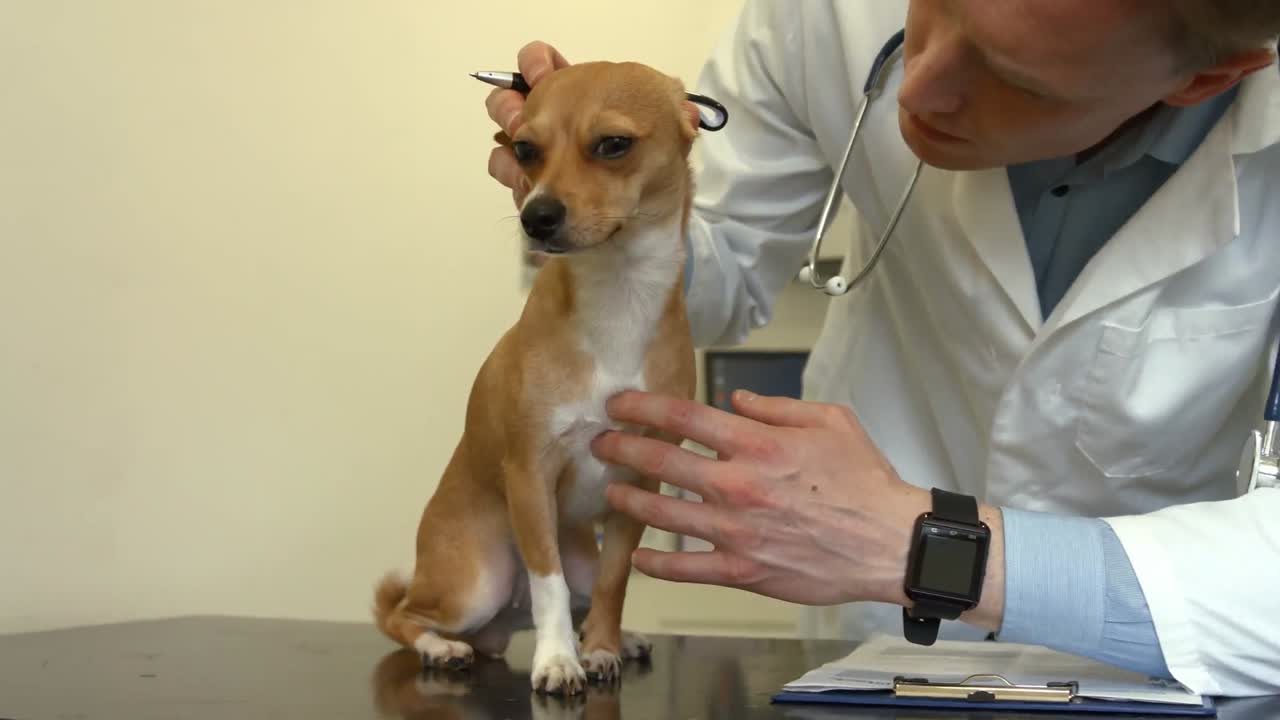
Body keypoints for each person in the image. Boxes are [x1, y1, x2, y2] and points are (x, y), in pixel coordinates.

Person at [483, 0, 1280, 697]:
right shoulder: (825, 13)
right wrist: (603, 209)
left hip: (1166, 659)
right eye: (932, 6)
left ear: (1203, 80)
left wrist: (931, 550)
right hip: (870, 647)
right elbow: (721, 274)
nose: (918, 84)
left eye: (1021, 80)